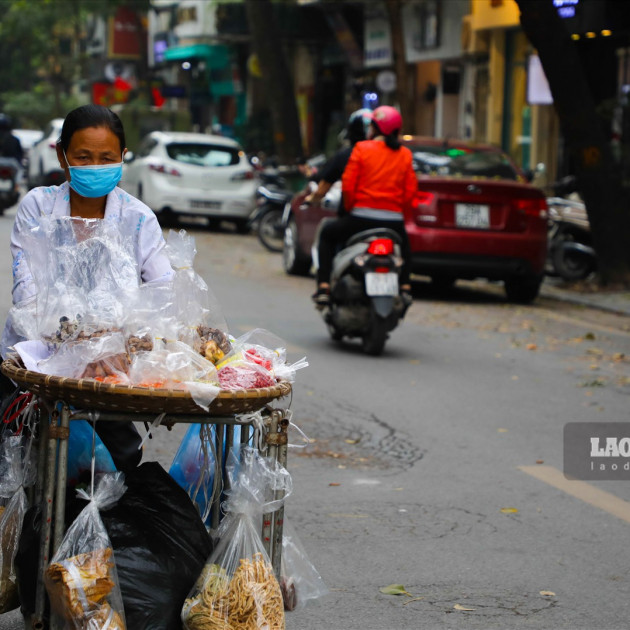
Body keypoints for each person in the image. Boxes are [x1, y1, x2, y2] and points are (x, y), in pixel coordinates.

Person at [1, 104, 174, 472]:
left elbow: (163, 294)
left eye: (106, 158)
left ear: (123, 158)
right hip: (37, 365)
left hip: (109, 372)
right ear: (62, 156)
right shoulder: (39, 207)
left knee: (121, 463)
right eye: (83, 156)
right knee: (23, 459)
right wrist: (76, 343)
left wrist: (118, 344)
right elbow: (27, 293)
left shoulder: (139, 218)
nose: (95, 166)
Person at [313, 105, 416, 306]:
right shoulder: (404, 154)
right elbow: (410, 193)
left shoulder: (362, 149)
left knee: (326, 234)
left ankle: (324, 286)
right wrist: (396, 211)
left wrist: (349, 210)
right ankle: (405, 286)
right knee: (405, 246)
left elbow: (349, 188)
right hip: (393, 223)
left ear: (375, 129)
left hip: (360, 220)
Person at [304, 108, 373, 209]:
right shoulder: (392, 155)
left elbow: (323, 185)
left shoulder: (347, 155)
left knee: (326, 225)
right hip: (394, 216)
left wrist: (311, 199)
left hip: (357, 214)